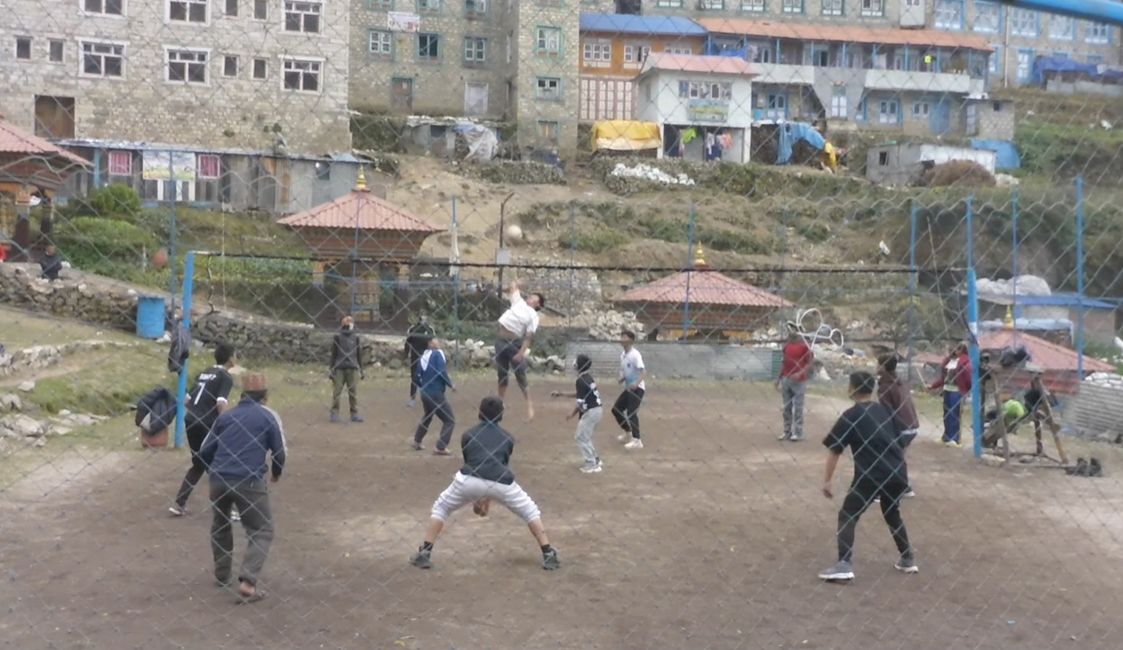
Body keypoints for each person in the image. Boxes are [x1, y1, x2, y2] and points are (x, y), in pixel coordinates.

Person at [409, 396, 560, 571]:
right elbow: (497, 466)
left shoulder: (468, 435)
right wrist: (485, 496)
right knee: (531, 511)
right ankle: (548, 553)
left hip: (468, 480)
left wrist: (479, 497)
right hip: (502, 482)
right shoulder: (507, 437)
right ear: (501, 415)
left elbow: (473, 464)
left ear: (480, 413)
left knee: (441, 508)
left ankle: (425, 553)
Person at [818, 372, 916, 582]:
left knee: (848, 514)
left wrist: (827, 481)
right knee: (891, 512)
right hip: (897, 471)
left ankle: (844, 564)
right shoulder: (886, 411)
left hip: (872, 473)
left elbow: (835, 450)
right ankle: (907, 558)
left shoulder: (850, 415)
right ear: (871, 389)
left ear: (851, 388)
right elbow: (900, 441)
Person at [198, 373, 287, 603]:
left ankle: (222, 574)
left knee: (220, 524)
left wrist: (216, 470)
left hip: (218, 477)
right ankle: (248, 582)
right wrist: (276, 472)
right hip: (248, 479)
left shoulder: (227, 417)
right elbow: (279, 452)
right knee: (262, 529)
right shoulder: (267, 418)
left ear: (241, 396)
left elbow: (206, 449)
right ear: (265, 397)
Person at [169, 342, 236, 517]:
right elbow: (220, 403)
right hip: (207, 424)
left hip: (190, 420)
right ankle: (227, 509)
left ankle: (179, 504)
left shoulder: (204, 372)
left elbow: (186, 400)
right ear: (230, 359)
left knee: (199, 464)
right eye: (235, 355)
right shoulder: (225, 377)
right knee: (220, 464)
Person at [495, 279, 545, 421]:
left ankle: (529, 406)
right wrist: (518, 282)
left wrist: (521, 352)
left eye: (534, 297)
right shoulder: (519, 302)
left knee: (520, 376)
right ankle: (500, 404)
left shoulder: (533, 315)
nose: (530, 297)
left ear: (538, 304)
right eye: (530, 296)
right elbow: (513, 286)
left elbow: (529, 336)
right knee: (502, 375)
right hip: (500, 341)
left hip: (514, 344)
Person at [551, 353, 604, 473]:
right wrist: (561, 393)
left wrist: (571, 414)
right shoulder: (587, 377)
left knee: (580, 437)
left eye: (576, 361)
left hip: (591, 411)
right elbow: (580, 394)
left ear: (578, 365)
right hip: (597, 410)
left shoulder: (580, 380)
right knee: (585, 436)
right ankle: (595, 460)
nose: (574, 363)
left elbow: (580, 402)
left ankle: (591, 463)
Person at [877, 354, 919, 498]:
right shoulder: (900, 381)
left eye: (879, 364)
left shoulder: (885, 386)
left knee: (884, 456)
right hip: (911, 426)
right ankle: (904, 488)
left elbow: (886, 411)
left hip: (901, 428)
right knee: (897, 457)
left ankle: (882, 490)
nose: (877, 367)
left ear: (883, 367)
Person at [412, 337, 456, 455]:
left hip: (424, 393)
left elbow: (416, 377)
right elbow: (441, 371)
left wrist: (424, 386)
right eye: (435, 340)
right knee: (449, 420)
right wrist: (450, 384)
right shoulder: (438, 354)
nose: (438, 342)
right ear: (430, 343)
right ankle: (441, 446)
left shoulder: (423, 356)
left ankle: (417, 441)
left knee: (428, 415)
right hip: (435, 393)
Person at [929, 343, 972, 448]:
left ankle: (954, 438)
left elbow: (968, 379)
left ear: (962, 350)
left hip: (957, 391)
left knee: (954, 414)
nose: (953, 351)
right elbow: (943, 379)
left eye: (957, 349)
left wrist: (966, 391)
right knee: (947, 414)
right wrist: (933, 386)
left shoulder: (964, 362)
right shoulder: (949, 361)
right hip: (947, 389)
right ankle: (946, 436)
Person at [776, 325, 814, 441]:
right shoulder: (786, 346)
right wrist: (778, 378)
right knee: (786, 407)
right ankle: (787, 431)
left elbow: (810, 363)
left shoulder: (804, 347)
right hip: (786, 379)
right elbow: (784, 363)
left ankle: (798, 432)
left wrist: (801, 372)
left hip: (799, 381)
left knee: (798, 407)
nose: (791, 334)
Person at [612, 330, 646, 450]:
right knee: (616, 409)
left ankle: (637, 440)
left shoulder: (635, 354)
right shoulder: (623, 355)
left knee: (632, 412)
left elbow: (643, 372)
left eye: (625, 337)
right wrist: (622, 378)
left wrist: (636, 384)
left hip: (637, 389)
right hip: (628, 388)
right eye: (621, 336)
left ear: (631, 340)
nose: (622, 339)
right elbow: (623, 370)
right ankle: (628, 433)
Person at [329, 315, 364, 423]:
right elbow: (333, 354)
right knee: (337, 392)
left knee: (353, 392)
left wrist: (361, 369)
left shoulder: (356, 338)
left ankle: (354, 413)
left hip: (352, 367)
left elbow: (359, 354)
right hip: (339, 367)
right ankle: (334, 413)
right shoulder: (337, 337)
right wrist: (331, 368)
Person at [405, 316, 435, 408]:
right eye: (422, 317)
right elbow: (408, 343)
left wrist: (434, 355)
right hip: (415, 357)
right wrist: (406, 355)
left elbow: (433, 343)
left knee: (428, 377)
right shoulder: (413, 329)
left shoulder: (430, 329)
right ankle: (412, 399)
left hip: (427, 357)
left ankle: (429, 398)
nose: (424, 319)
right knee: (414, 378)